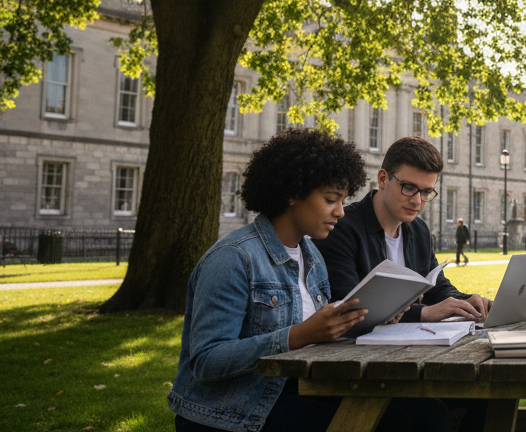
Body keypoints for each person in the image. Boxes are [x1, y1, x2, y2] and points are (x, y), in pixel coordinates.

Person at [169, 129, 451, 432]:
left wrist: (375, 316)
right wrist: (299, 335)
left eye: (342, 200)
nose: (340, 212)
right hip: (237, 408)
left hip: (295, 386)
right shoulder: (233, 257)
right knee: (394, 423)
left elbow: (322, 335)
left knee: (427, 413)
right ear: (293, 193)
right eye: (331, 200)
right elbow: (206, 360)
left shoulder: (312, 256)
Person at [316, 137, 491, 322]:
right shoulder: (341, 229)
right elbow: (347, 308)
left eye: (426, 192)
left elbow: (437, 288)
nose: (417, 201)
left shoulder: (419, 230)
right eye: (408, 188)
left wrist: (467, 302)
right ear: (383, 179)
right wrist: (423, 313)